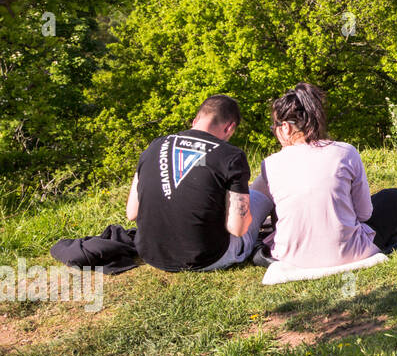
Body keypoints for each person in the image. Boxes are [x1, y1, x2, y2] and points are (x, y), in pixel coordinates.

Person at [51, 95, 267, 273]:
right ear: (229, 128)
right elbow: (237, 230)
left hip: (151, 253)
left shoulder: (155, 145)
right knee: (261, 190)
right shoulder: (231, 155)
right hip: (208, 258)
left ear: (195, 121)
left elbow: (131, 213)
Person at [252, 83, 397, 274]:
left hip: (290, 257)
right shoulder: (345, 152)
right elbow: (365, 214)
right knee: (394, 197)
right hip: (350, 253)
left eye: (273, 127)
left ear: (285, 127)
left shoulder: (271, 163)